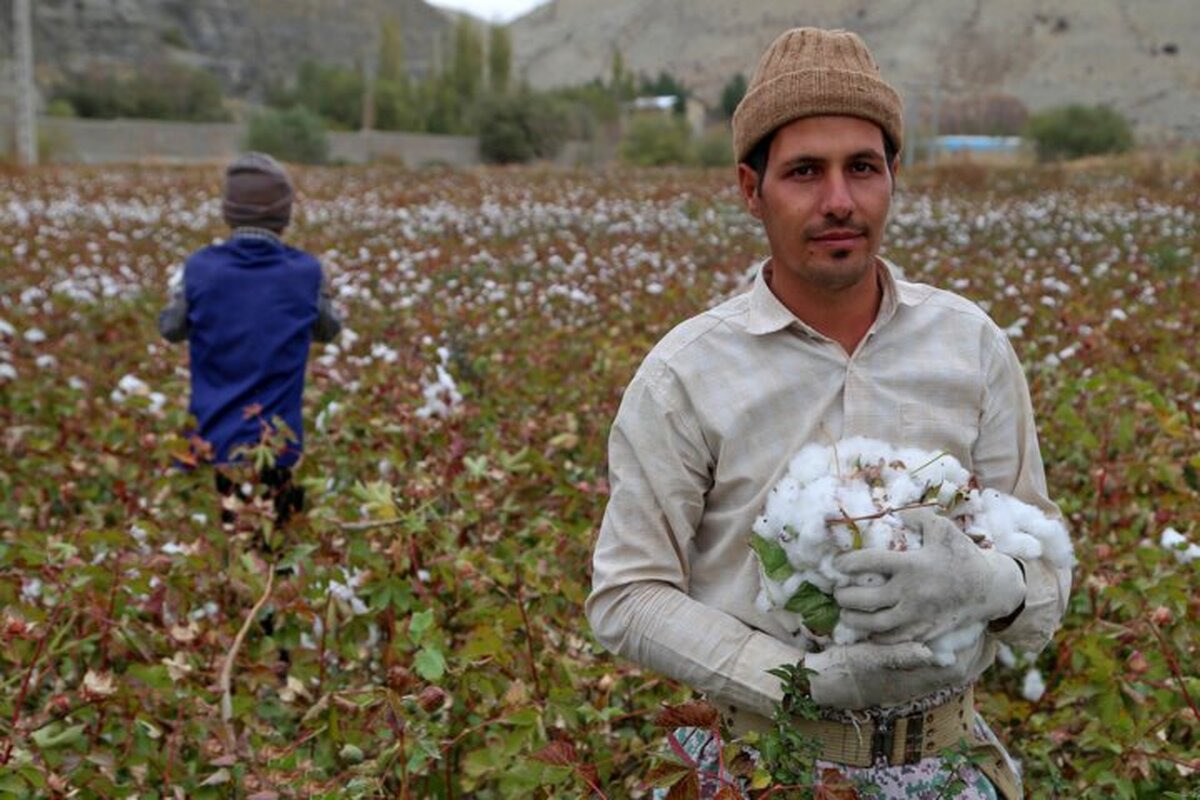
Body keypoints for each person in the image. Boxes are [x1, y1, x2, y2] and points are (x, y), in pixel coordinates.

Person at [586, 28, 1071, 800]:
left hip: (948, 762)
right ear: (752, 189)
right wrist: (798, 681)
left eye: (863, 168)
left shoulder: (970, 345)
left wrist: (989, 585)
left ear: (894, 177)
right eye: (804, 172)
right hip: (760, 768)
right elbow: (628, 595)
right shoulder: (686, 373)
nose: (838, 201)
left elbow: (1045, 573)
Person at [159, 152, 342, 528]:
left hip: (209, 440)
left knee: (211, 551)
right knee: (274, 550)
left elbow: (170, 329)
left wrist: (183, 293)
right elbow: (329, 329)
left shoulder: (199, 268)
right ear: (284, 214)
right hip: (275, 445)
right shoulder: (305, 272)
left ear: (229, 212)